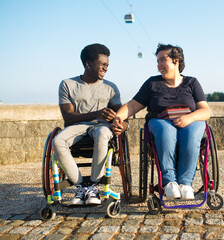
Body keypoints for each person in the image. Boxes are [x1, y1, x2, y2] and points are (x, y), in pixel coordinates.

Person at [112, 43, 210, 200]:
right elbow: (132, 105)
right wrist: (118, 117)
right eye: (157, 61)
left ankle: (185, 184)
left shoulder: (192, 83)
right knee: (166, 129)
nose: (159, 65)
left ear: (176, 61)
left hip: (189, 121)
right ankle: (169, 182)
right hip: (160, 122)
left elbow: (205, 111)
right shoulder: (152, 84)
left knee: (194, 129)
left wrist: (189, 118)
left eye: (162, 60)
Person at [52, 43, 125, 205]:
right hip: (77, 126)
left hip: (101, 127)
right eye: (102, 64)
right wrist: (98, 113)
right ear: (88, 64)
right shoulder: (68, 85)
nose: (106, 68)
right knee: (57, 141)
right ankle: (81, 186)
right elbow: (68, 118)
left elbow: (121, 115)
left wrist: (123, 125)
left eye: (107, 65)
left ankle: (93, 185)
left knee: (103, 133)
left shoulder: (110, 87)